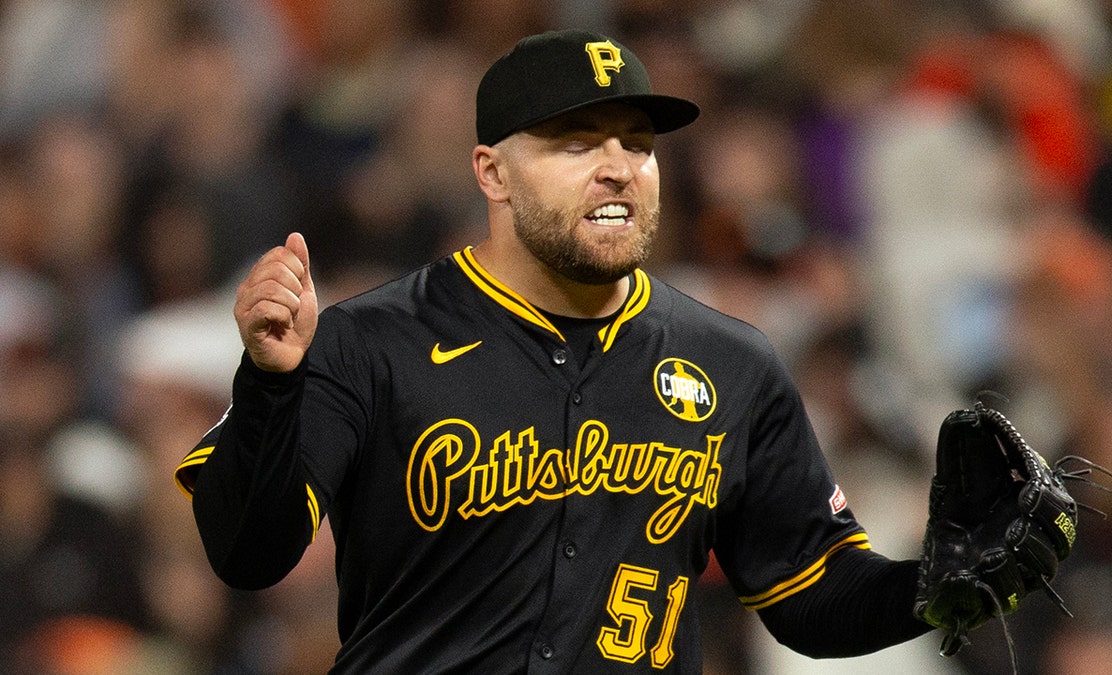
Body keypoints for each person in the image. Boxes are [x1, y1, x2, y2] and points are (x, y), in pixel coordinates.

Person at [174, 30, 935, 672]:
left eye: (637, 144)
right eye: (578, 143)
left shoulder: (732, 361)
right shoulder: (369, 341)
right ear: (492, 172)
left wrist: (944, 583)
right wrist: (273, 387)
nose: (618, 166)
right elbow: (250, 553)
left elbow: (813, 595)